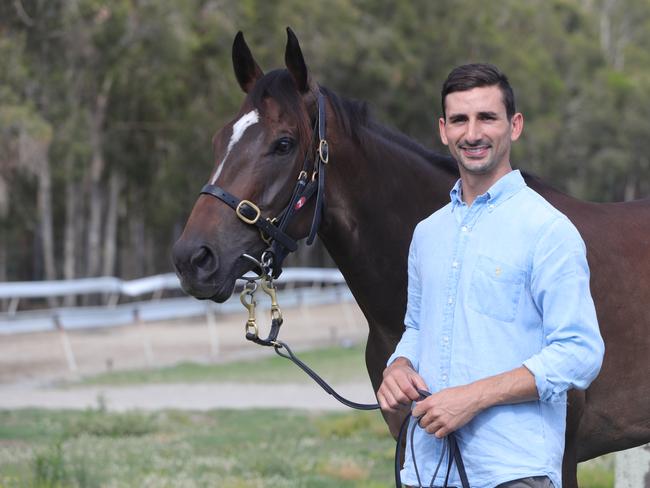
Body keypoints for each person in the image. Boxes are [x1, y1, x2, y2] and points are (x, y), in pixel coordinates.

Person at [377, 63, 605, 488]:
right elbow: (416, 327)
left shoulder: (548, 230)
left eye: (487, 118)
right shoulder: (427, 234)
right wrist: (400, 365)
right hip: (425, 469)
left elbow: (580, 352)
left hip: (509, 472)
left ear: (514, 126)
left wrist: (474, 398)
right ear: (443, 130)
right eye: (460, 120)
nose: (473, 133)